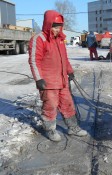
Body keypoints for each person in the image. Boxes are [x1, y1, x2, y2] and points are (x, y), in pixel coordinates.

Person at [28, 10, 87, 142]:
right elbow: (34, 60)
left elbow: (64, 58)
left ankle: (73, 127)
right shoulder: (39, 39)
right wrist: (38, 79)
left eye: (59, 26)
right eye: (54, 26)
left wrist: (69, 71)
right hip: (48, 82)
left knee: (68, 104)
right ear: (48, 24)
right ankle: (50, 129)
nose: (57, 29)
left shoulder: (60, 40)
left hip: (62, 80)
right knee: (50, 105)